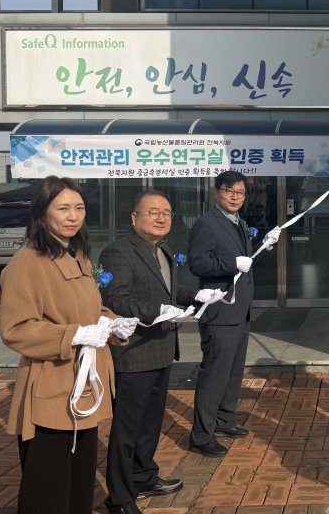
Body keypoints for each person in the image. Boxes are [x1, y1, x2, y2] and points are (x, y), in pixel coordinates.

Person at [0, 176, 137, 514]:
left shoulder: (77, 256)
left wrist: (110, 320)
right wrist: (73, 335)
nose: (73, 215)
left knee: (78, 489)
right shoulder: (27, 263)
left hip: (84, 387)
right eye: (63, 208)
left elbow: (86, 309)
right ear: (42, 213)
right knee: (47, 492)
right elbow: (16, 329)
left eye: (79, 208)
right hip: (51, 388)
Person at [99, 190, 197, 514]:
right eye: (153, 212)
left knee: (150, 423)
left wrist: (198, 296)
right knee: (127, 429)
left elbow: (166, 289)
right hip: (135, 352)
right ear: (134, 218)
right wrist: (162, 309)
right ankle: (121, 497)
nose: (160, 218)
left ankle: (144, 476)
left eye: (166, 213)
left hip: (162, 349)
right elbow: (117, 300)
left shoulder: (162, 249)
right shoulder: (118, 252)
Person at [187, 171, 280, 457]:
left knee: (232, 371)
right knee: (215, 373)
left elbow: (245, 264)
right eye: (229, 191)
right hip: (220, 311)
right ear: (217, 192)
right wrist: (231, 262)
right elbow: (198, 263)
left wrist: (266, 244)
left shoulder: (239, 222)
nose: (235, 197)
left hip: (240, 311)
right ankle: (202, 435)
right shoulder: (207, 223)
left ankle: (225, 420)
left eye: (240, 192)